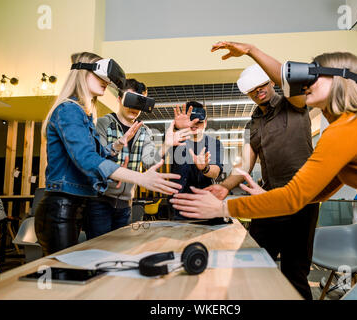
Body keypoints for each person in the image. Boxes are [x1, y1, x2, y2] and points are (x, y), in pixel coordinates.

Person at [170, 42, 357, 300]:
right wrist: (230, 188)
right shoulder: (343, 126)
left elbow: (294, 197)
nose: (307, 82)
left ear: (339, 80)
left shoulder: (308, 110)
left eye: (314, 76)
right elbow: (321, 190)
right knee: (254, 261)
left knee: (295, 271)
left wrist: (223, 209)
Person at [35, 52, 182, 256]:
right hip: (63, 207)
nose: (106, 82)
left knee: (93, 264)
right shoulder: (70, 110)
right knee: (65, 275)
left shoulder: (84, 114)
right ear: (82, 73)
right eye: (101, 76)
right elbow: (89, 160)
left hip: (76, 206)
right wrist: (140, 178)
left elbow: (98, 153)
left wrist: (118, 146)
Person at [203, 56, 319, 299]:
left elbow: (289, 79)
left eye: (262, 86)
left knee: (294, 273)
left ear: (270, 83)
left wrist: (250, 50)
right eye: (252, 91)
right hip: (268, 199)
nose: (258, 92)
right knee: (250, 260)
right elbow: (245, 163)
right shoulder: (253, 124)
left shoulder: (293, 102)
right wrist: (224, 187)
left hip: (301, 199)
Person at [86, 79, 194, 239]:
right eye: (131, 99)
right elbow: (97, 160)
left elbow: (150, 161)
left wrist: (167, 144)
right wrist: (118, 144)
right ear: (119, 99)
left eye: (141, 102)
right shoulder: (103, 123)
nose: (136, 107)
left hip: (126, 203)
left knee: (121, 249)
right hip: (99, 201)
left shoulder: (144, 131)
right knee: (96, 250)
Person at [171, 101, 224, 220]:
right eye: (191, 121)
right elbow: (169, 137)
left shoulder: (214, 144)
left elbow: (215, 171)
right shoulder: (177, 140)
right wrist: (177, 127)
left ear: (205, 122)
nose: (194, 125)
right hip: (181, 204)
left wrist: (205, 167)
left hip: (205, 202)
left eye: (199, 122)